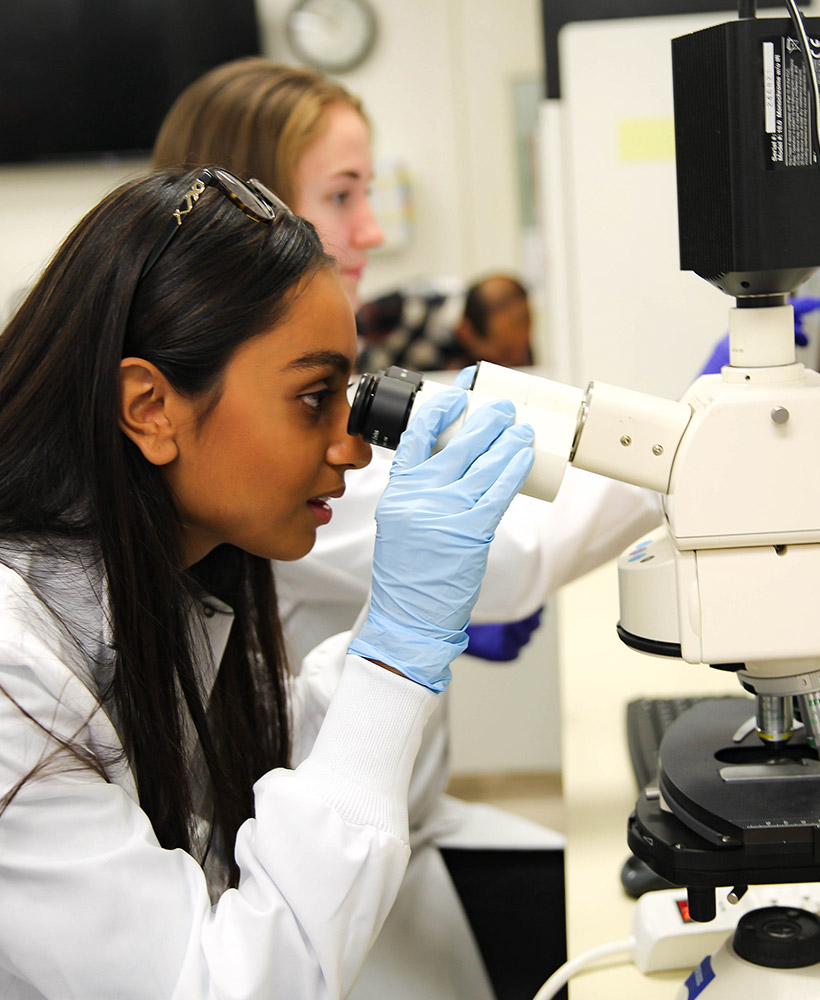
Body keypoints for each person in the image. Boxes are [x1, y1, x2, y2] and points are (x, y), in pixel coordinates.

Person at [152, 58, 663, 1000]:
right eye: (341, 195)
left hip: (379, 828)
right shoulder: (251, 452)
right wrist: (682, 451)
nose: (373, 230)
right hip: (317, 878)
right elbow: (511, 564)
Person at [0, 168, 534, 999]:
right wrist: (398, 649)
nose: (353, 449)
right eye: (313, 398)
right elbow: (220, 987)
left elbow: (276, 741)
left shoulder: (160, 581)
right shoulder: (12, 669)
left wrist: (408, 627)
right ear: (149, 406)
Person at [355, 272, 534, 374]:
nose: (516, 360)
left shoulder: (514, 343)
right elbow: (347, 330)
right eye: (505, 353)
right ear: (466, 332)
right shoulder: (411, 307)